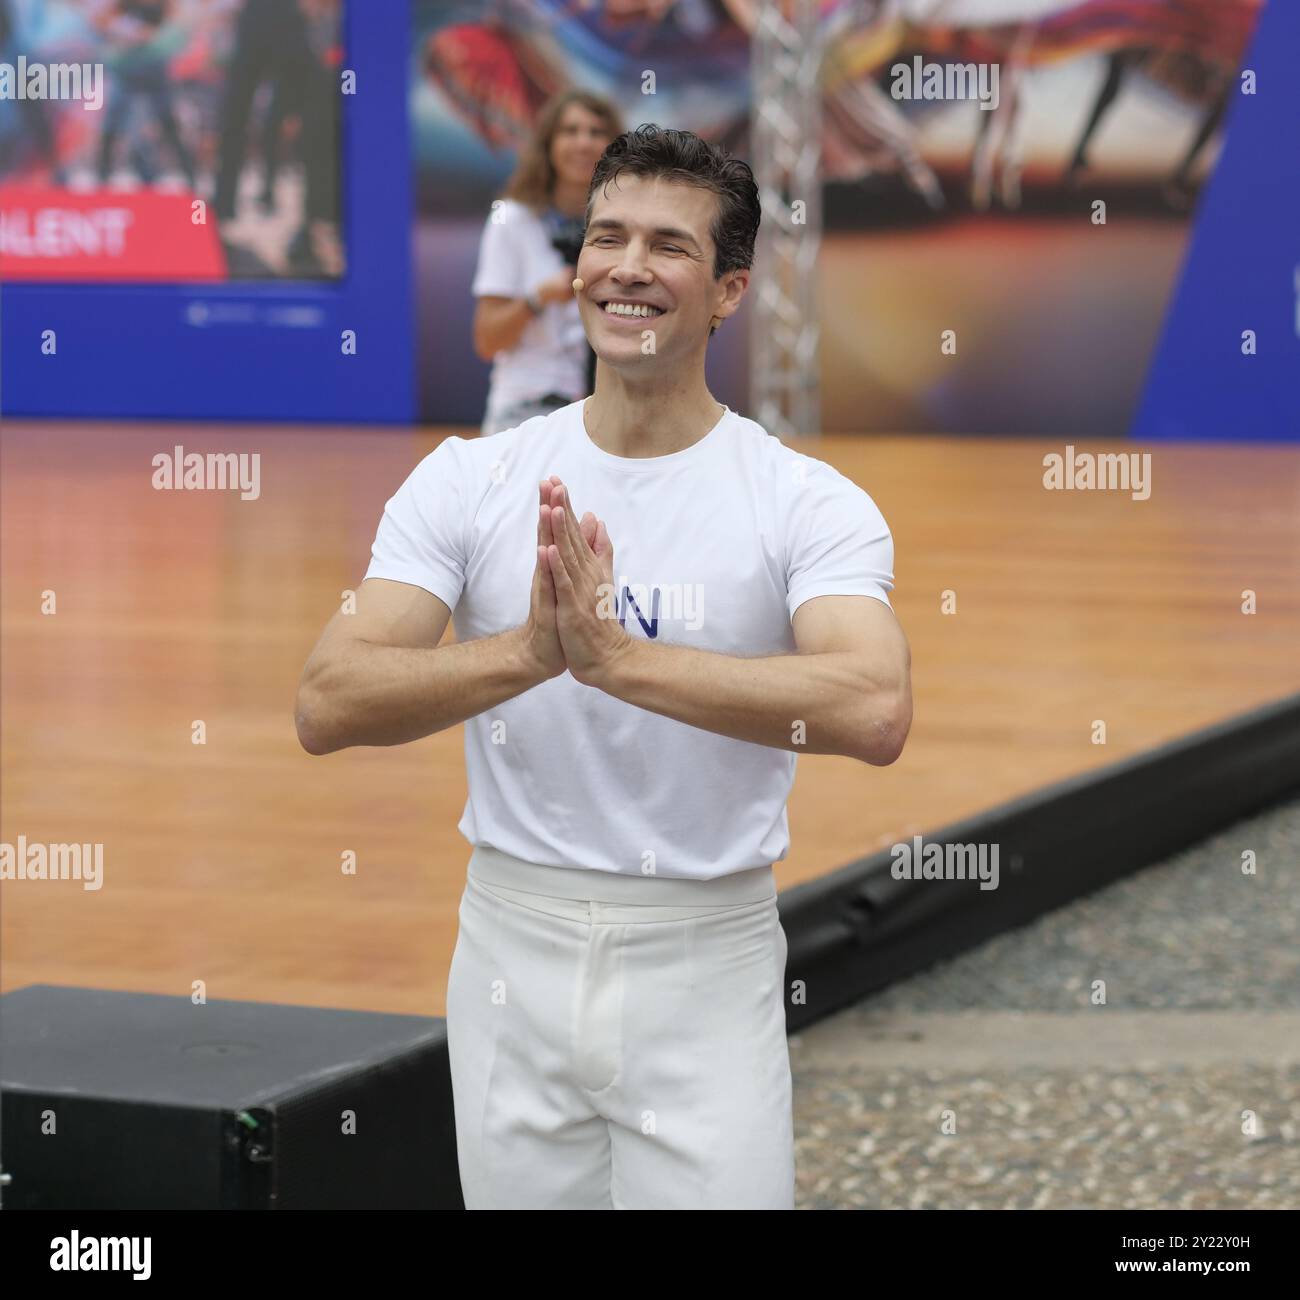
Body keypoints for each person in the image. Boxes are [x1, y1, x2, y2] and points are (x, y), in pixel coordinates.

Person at [295, 124, 913, 1209]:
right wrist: (530, 654)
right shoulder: (469, 480)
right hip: (508, 945)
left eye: (667, 247)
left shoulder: (802, 501)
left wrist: (620, 660)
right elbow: (328, 698)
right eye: (606, 237)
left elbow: (869, 705)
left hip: (703, 953)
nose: (627, 267)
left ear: (727, 291)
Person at [471, 90, 622, 437]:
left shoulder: (627, 225)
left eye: (596, 132)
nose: (583, 143)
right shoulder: (511, 220)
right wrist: (540, 297)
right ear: (548, 144)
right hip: (524, 411)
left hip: (606, 415)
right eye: (570, 131)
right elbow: (487, 340)